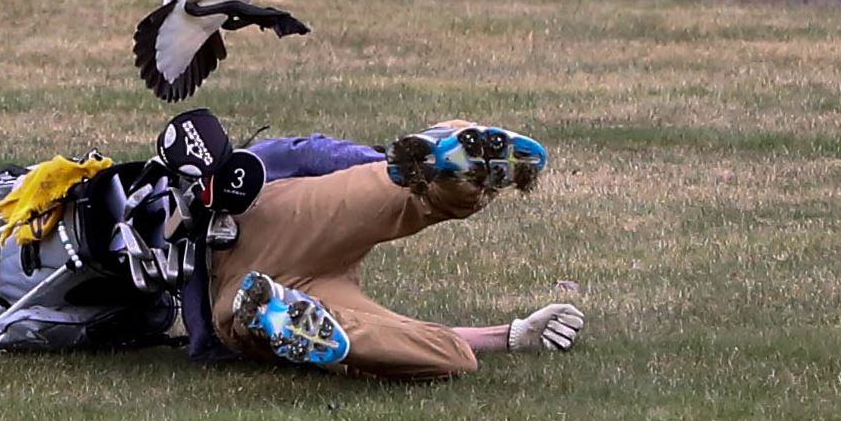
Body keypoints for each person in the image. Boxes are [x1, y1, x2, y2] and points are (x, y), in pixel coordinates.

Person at [208, 120, 585, 381]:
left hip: (262, 237)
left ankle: (444, 162)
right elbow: (304, 151)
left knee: (453, 355)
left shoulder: (168, 182)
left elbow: (294, 153)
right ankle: (447, 163)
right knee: (449, 356)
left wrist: (513, 335)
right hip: (251, 278)